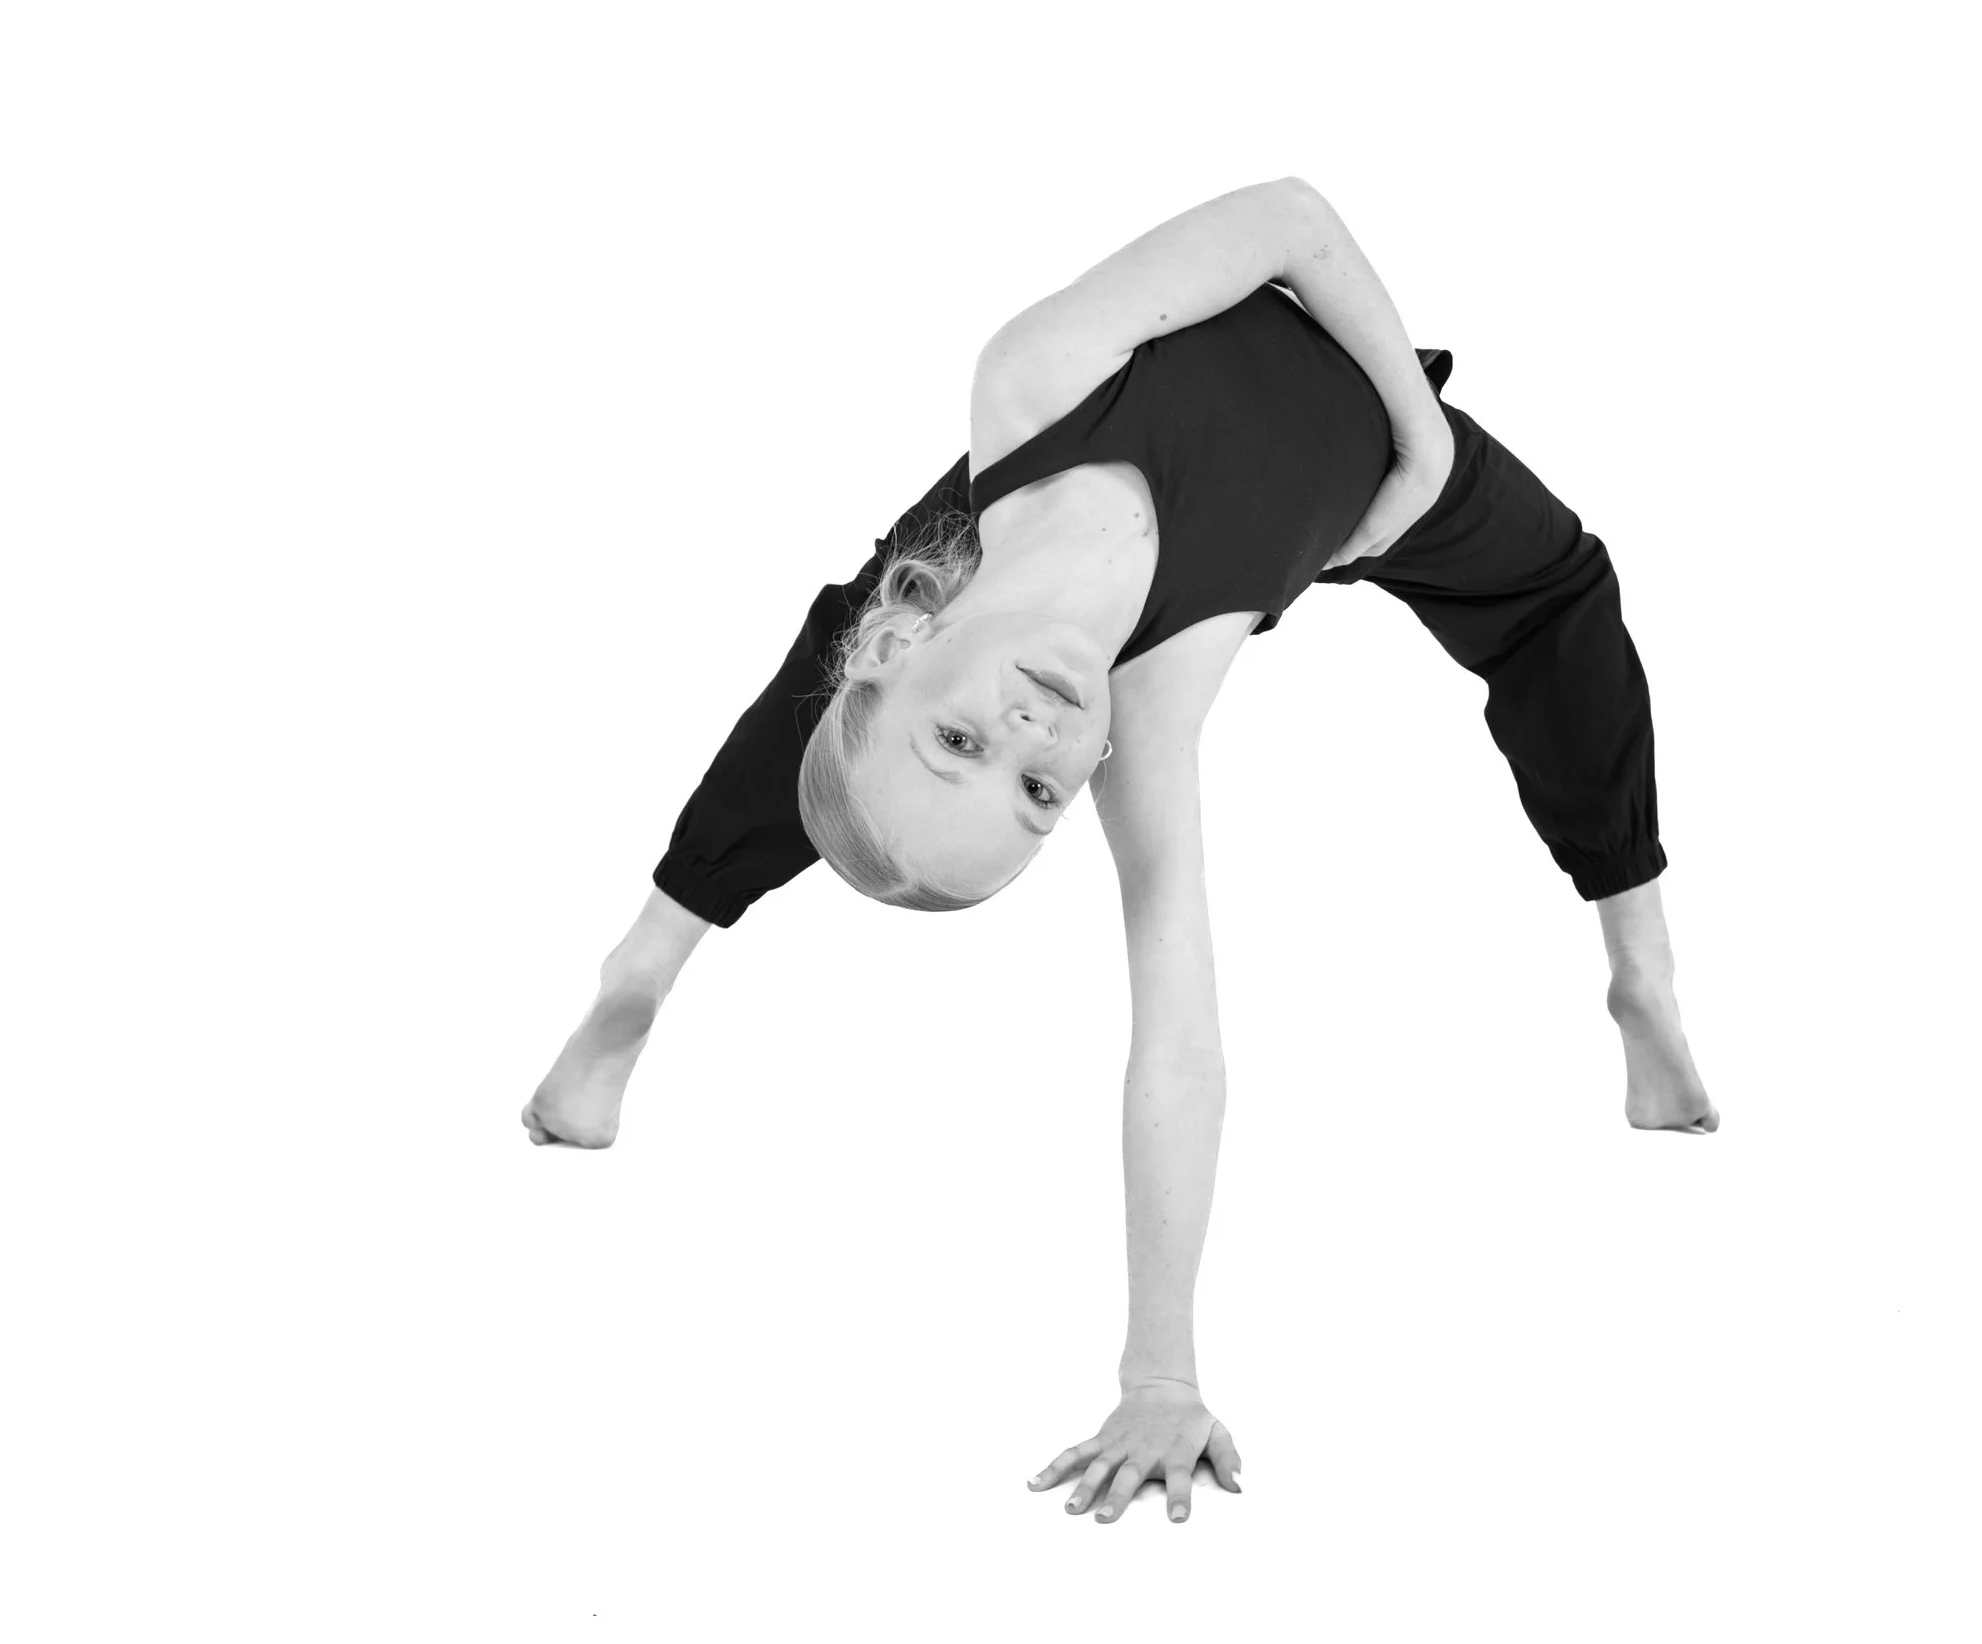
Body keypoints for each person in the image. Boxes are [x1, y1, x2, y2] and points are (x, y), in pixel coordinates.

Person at [521, 178, 1717, 1525]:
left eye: (970, 741)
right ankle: (1642, 968)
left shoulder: (1033, 388)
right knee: (1553, 598)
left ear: (912, 648)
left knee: (851, 660)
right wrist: (1160, 1369)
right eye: (1039, 786)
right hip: (1348, 490)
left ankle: (647, 953)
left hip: (1385, 451)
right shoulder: (1139, 719)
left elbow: (1288, 218)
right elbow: (1180, 1042)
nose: (1032, 729)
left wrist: (1424, 441)